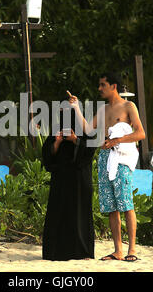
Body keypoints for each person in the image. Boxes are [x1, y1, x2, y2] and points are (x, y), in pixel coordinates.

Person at [68, 72, 145, 262]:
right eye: (100, 85)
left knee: (126, 203)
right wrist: (76, 108)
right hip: (104, 159)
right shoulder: (102, 110)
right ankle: (118, 250)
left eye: (103, 85)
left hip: (121, 160)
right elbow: (87, 129)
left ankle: (132, 250)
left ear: (113, 86)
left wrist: (117, 140)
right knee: (111, 207)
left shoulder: (129, 106)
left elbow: (140, 133)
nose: (100, 88)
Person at [41, 102, 96, 261]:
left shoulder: (86, 129)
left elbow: (90, 148)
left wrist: (75, 140)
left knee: (79, 215)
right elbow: (48, 154)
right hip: (61, 178)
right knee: (59, 212)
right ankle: (56, 252)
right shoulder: (57, 128)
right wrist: (57, 142)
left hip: (79, 179)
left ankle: (82, 252)